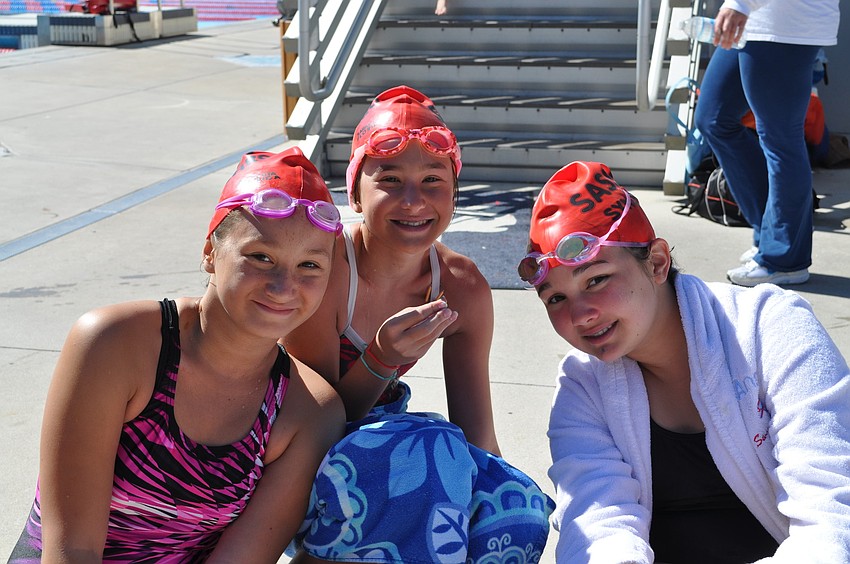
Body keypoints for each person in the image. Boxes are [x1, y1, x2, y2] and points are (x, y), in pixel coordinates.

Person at [9, 147, 345, 562]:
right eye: (261, 257)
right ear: (210, 253)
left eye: (310, 266)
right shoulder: (116, 345)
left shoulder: (309, 413)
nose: (283, 286)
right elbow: (71, 551)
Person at [518, 160, 850, 563]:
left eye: (596, 279)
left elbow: (830, 512)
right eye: (556, 298)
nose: (580, 314)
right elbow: (598, 522)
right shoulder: (583, 384)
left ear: (656, 262)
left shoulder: (771, 328)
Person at [283, 85, 554, 563]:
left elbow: (477, 434)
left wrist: (493, 493)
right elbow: (315, 426)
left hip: (387, 441)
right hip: (295, 456)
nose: (414, 201)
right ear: (356, 194)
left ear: (453, 194)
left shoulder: (461, 284)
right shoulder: (323, 269)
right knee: (426, 460)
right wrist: (381, 359)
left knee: (517, 508)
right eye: (389, 179)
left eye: (433, 181)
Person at [693, 0, 839, 286]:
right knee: (713, 119)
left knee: (780, 138)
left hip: (782, 27)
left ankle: (784, 259)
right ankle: (769, 236)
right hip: (754, 22)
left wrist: (741, 3)